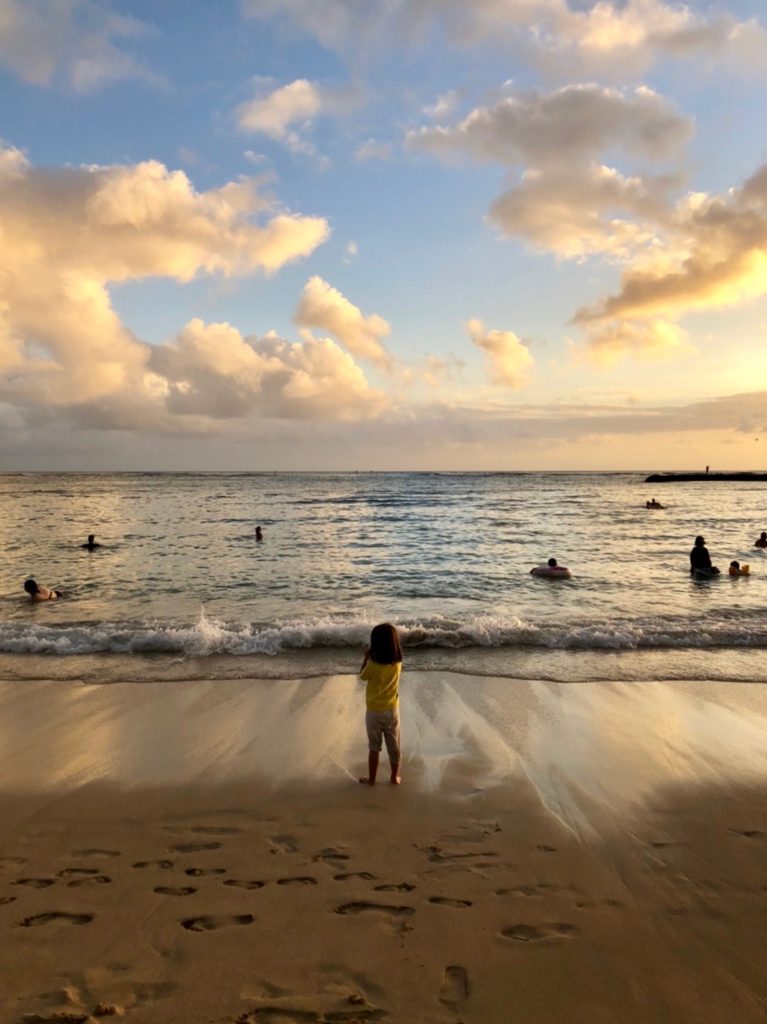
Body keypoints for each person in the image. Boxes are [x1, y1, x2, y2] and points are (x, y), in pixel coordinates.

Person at [358, 623, 402, 786]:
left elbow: (362, 676)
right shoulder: (398, 663)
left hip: (374, 712)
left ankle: (372, 779)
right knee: (394, 745)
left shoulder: (373, 666)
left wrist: (366, 658)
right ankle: (394, 777)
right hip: (392, 710)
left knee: (374, 747)